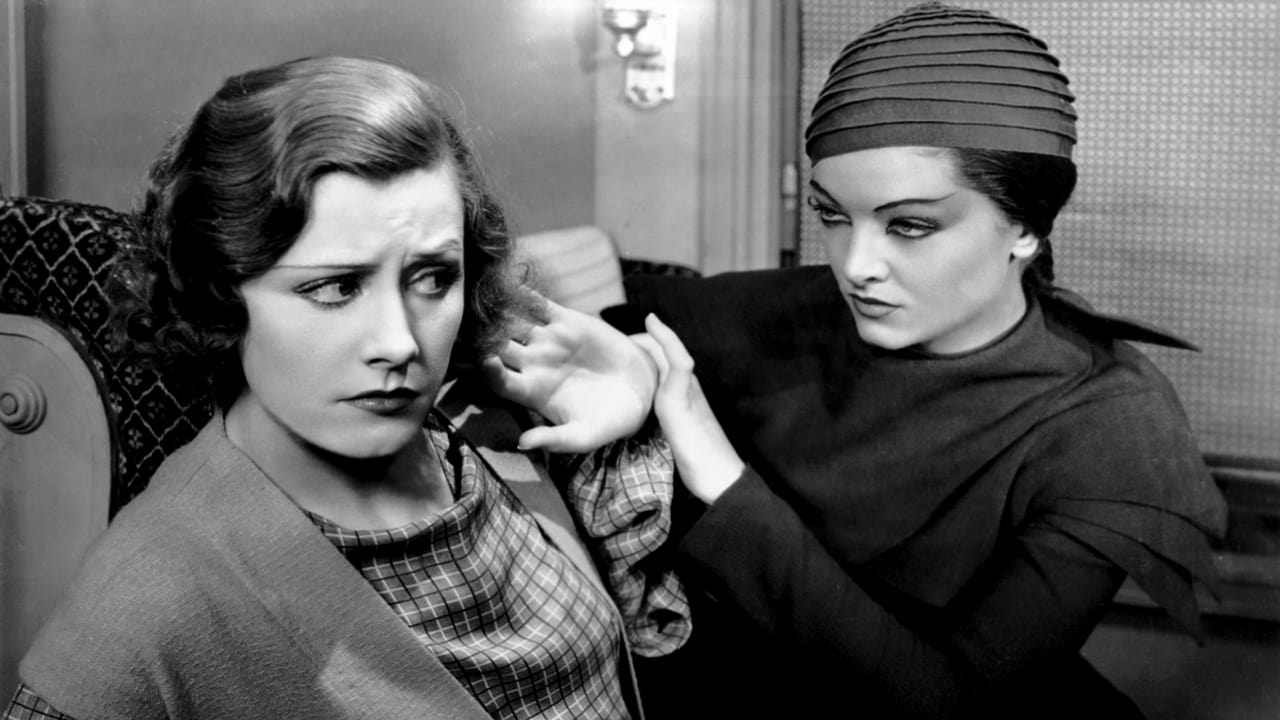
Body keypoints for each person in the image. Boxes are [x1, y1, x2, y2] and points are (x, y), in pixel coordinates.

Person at [5, 55, 687, 720]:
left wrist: (633, 398)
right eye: (334, 287)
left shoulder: (484, 435)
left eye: (433, 278)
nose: (399, 342)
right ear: (221, 293)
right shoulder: (151, 596)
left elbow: (654, 649)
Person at [612, 3, 1229, 718]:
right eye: (832, 215)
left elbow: (952, 703)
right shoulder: (793, 309)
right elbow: (618, 317)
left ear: (1025, 228)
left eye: (908, 225)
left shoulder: (1115, 428)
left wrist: (718, 472)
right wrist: (627, 370)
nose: (855, 267)